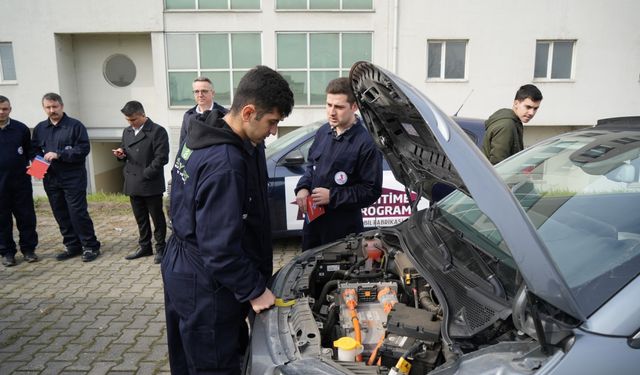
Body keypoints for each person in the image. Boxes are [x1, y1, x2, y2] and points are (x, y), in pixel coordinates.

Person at [162, 65, 294, 375]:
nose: (274, 131)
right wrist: (254, 290)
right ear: (248, 112)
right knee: (215, 363)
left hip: (183, 263)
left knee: (191, 354)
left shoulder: (206, 130)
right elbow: (220, 248)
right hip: (206, 280)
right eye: (272, 122)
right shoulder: (226, 163)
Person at [295, 77, 383, 251]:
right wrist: (303, 188)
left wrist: (333, 196)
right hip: (313, 225)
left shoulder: (366, 143)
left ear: (354, 107)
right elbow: (312, 166)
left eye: (339, 107)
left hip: (343, 232)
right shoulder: (323, 132)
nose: (331, 112)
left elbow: (371, 190)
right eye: (329, 105)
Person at [32, 93, 101, 262]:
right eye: (48, 107)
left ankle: (90, 246)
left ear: (61, 106)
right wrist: (37, 171)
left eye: (55, 106)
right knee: (60, 213)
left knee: (77, 212)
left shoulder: (75, 126)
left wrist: (59, 154)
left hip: (73, 178)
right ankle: (72, 245)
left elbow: (83, 150)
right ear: (44, 108)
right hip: (51, 178)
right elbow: (34, 151)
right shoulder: (40, 128)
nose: (52, 110)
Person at [113, 101, 169, 264]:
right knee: (140, 218)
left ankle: (161, 248)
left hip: (149, 182)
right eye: (128, 120)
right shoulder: (127, 131)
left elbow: (161, 157)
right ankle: (145, 247)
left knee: (157, 218)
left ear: (142, 115)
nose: (130, 123)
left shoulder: (158, 131)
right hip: (132, 181)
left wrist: (146, 173)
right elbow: (125, 149)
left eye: (133, 120)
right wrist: (120, 153)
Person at [0, 96, 38, 266]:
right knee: (2, 221)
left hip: (21, 184)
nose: (2, 112)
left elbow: (31, 151)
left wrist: (38, 171)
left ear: (10, 109)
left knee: (26, 218)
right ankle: (7, 253)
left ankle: (29, 250)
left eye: (5, 109)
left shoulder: (20, 128)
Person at [482, 84, 543, 165]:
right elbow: (498, 164)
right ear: (516, 104)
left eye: (535, 108)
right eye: (528, 107)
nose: (531, 113)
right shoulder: (507, 125)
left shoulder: (514, 122)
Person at [178, 76, 228, 146]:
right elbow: (183, 143)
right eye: (196, 91)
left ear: (213, 93)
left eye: (204, 91)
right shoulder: (188, 115)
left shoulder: (225, 114)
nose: (200, 95)